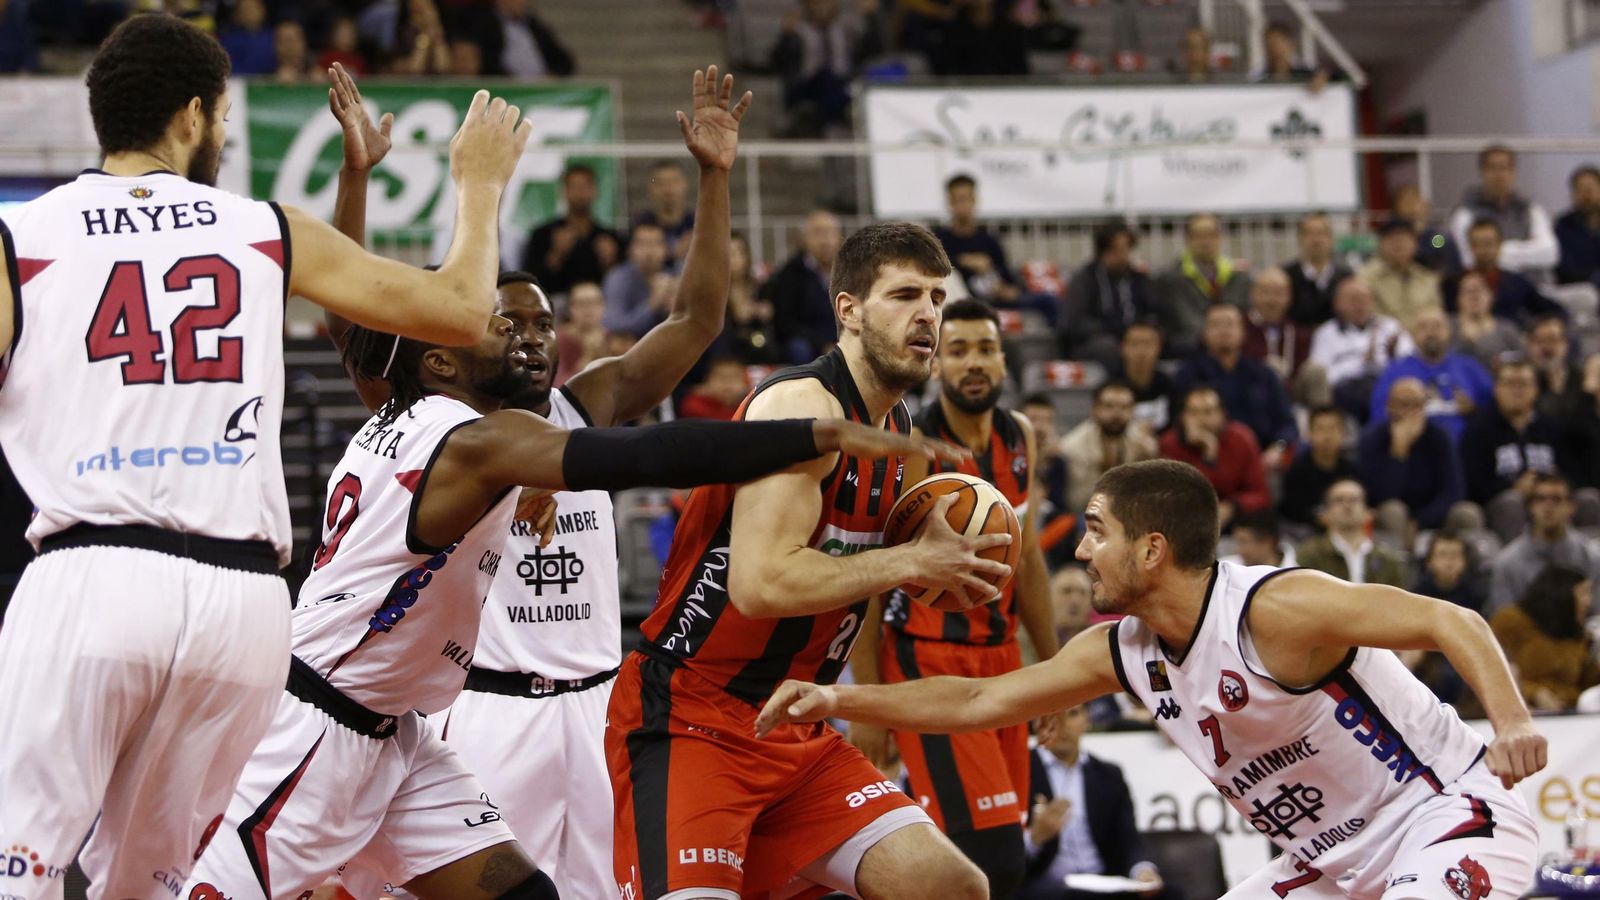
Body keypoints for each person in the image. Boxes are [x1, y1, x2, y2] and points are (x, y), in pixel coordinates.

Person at [0, 22, 531, 897]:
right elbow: (463, 313)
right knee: (151, 883)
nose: (228, 135)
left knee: (24, 862)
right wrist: (478, 184)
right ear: (193, 115)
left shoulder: (28, 236)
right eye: (225, 117)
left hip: (91, 575)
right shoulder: (264, 230)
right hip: (241, 608)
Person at [189, 311, 953, 900]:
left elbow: (372, 347)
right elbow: (630, 456)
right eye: (490, 323)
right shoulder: (469, 440)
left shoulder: (404, 418)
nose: (515, 336)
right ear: (440, 361)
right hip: (320, 727)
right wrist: (811, 432)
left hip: (401, 734)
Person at [324, 64, 754, 896]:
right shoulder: (438, 423)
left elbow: (697, 321)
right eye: (505, 321)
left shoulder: (584, 403)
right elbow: (350, 328)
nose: (530, 336)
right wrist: (356, 177)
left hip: (595, 705)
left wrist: (713, 176)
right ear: (457, 338)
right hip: (488, 710)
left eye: (543, 322)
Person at [759, 458, 1547, 900]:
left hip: (1441, 817)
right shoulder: (1124, 648)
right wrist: (837, 699)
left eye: (1095, 531)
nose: (1078, 551)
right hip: (1327, 865)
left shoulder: (1276, 609)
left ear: (1152, 551)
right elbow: (979, 698)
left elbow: (1454, 621)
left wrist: (1510, 721)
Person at [610, 223, 1010, 900]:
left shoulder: (899, 429)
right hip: (694, 718)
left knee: (953, 886)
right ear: (848, 310)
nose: (929, 316)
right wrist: (911, 563)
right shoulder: (800, 407)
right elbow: (763, 583)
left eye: (939, 299)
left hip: (799, 728)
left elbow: (860, 590)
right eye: (906, 294)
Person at [855, 298, 1061, 896]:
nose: (975, 362)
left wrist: (1050, 671)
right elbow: (872, 573)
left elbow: (1029, 559)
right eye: (960, 350)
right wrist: (868, 701)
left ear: (1003, 361)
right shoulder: (912, 445)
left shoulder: (1019, 435)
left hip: (1001, 660)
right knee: (990, 857)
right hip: (927, 660)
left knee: (1001, 853)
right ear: (937, 363)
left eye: (987, 349)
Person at [1018, 705, 1167, 900]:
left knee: (1170, 894)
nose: (1062, 725)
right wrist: (1035, 837)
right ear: (1037, 724)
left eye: (1072, 714)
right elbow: (998, 858)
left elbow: (1128, 837)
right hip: (1047, 884)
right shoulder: (1019, 772)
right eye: (1052, 716)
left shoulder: (1108, 774)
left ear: (1087, 720)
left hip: (1103, 880)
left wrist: (1141, 869)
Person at [1174, 302, 1297, 467]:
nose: (1224, 330)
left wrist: (1279, 447)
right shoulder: (1187, 375)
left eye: (1230, 324)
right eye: (1216, 325)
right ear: (1204, 333)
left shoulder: (1263, 374)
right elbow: (1177, 422)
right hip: (1201, 456)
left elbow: (1287, 424)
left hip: (1258, 460)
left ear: (1243, 331)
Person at [1459, 359, 1568, 542]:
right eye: (1510, 384)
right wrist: (1515, 488)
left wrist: (1551, 486)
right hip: (1499, 506)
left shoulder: (1551, 429)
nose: (1517, 390)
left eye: (1523, 384)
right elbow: (1473, 485)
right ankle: (1519, 566)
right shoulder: (1478, 430)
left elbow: (1572, 472)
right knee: (1512, 501)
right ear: (1496, 389)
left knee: (1585, 499)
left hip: (1549, 499)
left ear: (1536, 389)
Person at [1358, 378, 1470, 537]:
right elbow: (1380, 496)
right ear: (1389, 407)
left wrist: (1419, 522)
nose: (1410, 412)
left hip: (1431, 517)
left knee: (1466, 513)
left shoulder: (1439, 437)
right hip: (1389, 518)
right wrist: (1399, 452)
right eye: (1403, 405)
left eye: (1416, 405)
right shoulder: (1373, 439)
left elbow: (1453, 491)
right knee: (1393, 510)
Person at [1367, 307, 1493, 442]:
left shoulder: (1469, 367)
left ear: (1449, 332)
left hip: (1467, 449)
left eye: (1437, 326)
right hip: (1416, 452)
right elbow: (1379, 418)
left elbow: (1494, 410)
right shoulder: (1395, 372)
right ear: (1413, 335)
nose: (1431, 332)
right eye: (1423, 327)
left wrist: (1473, 411)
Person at [1490, 563, 1600, 712]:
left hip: (1569, 716)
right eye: (1583, 593)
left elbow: (1588, 688)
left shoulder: (1580, 634)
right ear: (1562, 594)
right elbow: (1489, 672)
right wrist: (1533, 693)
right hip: (1516, 712)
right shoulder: (1511, 621)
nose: (1589, 601)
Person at [1157, 385, 1269, 530]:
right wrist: (1208, 457)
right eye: (1194, 413)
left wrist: (1232, 506)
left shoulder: (1242, 438)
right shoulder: (1169, 444)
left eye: (1208, 412)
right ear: (1183, 416)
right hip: (1186, 525)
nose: (1201, 420)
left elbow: (1261, 494)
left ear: (1222, 414)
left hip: (1236, 522)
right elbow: (1180, 501)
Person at [1487, 473, 1600, 616]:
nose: (1548, 506)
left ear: (1571, 507)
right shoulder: (1507, 563)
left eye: (1556, 499)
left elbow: (1598, 618)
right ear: (1530, 507)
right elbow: (1503, 624)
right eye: (1540, 499)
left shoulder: (1591, 556)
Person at [935, 175, 1046, 319]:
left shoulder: (989, 240)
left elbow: (1007, 277)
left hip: (994, 299)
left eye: (965, 199)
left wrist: (1005, 288)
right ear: (949, 202)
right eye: (957, 200)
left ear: (974, 200)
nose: (961, 205)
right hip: (959, 302)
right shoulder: (939, 241)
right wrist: (962, 261)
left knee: (1047, 300)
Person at [1308, 278, 1413, 423]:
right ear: (1337, 303)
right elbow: (1322, 375)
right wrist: (1361, 364)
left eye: (1364, 299)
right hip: (1346, 390)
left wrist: (1391, 356)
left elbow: (1410, 363)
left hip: (1385, 384)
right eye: (1353, 300)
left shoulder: (1391, 327)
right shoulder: (1326, 333)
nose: (1360, 305)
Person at [1449, 146, 1559, 277]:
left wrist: (1498, 252)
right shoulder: (1465, 214)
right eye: (1493, 168)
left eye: (1504, 168)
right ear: (1482, 172)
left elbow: (1550, 253)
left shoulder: (1531, 209)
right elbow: (1467, 259)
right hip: (1488, 288)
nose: (1499, 175)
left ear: (1513, 172)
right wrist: (1528, 251)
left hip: (1533, 288)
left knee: (1583, 295)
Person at [1154, 213, 1251, 358]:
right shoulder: (1170, 278)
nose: (1206, 242)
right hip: (1190, 350)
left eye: (1211, 235)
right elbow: (1179, 319)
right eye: (1198, 236)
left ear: (1220, 238)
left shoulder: (1238, 276)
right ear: (1188, 240)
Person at [1060, 220, 1153, 366]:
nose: (1122, 255)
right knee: (1108, 347)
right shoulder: (1085, 280)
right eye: (1116, 250)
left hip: (1135, 336)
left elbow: (1154, 310)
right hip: (1099, 341)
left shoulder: (1139, 279)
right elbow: (1073, 324)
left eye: (1126, 249)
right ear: (1103, 250)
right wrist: (1113, 328)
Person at [519, 163, 622, 296]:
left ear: (595, 191)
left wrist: (609, 261)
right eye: (574, 187)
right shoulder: (543, 234)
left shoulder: (608, 237)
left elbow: (621, 284)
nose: (580, 193)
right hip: (555, 304)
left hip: (599, 304)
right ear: (564, 191)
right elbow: (530, 283)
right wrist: (556, 254)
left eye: (585, 186)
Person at [1443, 219, 1566, 326]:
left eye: (1489, 243)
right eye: (1477, 244)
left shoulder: (1516, 283)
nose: (1484, 250)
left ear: (1500, 244)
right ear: (1470, 247)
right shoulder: (1453, 284)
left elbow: (1552, 310)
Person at [1061, 380, 1157, 513]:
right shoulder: (1073, 447)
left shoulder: (1143, 445)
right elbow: (1076, 503)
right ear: (1095, 409)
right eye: (1109, 406)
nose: (1116, 414)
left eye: (1124, 407)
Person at [764, 208, 845, 363]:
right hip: (809, 342)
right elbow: (786, 322)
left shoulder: (851, 270)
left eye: (829, 233)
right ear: (804, 239)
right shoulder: (789, 274)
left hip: (844, 336)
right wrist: (822, 344)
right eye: (817, 233)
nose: (824, 241)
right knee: (798, 348)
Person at [1296, 479, 1410, 586]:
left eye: (1354, 500)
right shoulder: (1309, 554)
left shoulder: (1387, 559)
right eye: (1339, 500)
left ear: (1369, 513)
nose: (1347, 505)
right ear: (1324, 515)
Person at [1241, 266, 1323, 405]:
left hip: (1290, 394)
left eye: (1279, 293)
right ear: (1252, 294)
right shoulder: (1240, 328)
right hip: (1250, 394)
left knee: (1316, 371)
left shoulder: (1297, 332)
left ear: (1289, 297)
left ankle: (1321, 423)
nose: (1272, 300)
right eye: (1265, 292)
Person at [1279, 405, 1357, 532]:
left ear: (1343, 433)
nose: (1327, 436)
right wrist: (1318, 517)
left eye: (1333, 429)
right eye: (1320, 429)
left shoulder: (1351, 470)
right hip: (1308, 531)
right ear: (1309, 434)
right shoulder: (1297, 471)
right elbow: (1292, 510)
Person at [1358, 218, 1442, 328]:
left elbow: (1436, 315)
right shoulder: (1366, 277)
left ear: (1415, 244)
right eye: (1391, 237)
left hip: (1421, 341)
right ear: (1380, 243)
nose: (1398, 243)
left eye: (1404, 238)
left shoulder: (1427, 278)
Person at [602, 221, 677, 339]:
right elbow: (614, 325)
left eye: (656, 243)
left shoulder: (676, 277)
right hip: (629, 349)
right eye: (642, 244)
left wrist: (674, 311)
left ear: (666, 250)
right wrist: (652, 303)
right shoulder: (618, 278)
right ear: (630, 250)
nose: (649, 251)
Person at [1283, 211, 1352, 325]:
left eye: (1321, 233)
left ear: (1331, 239)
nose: (1316, 239)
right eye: (1309, 234)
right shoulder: (1286, 275)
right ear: (1299, 239)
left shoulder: (1346, 277)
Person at [1452, 270, 1524, 370]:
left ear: (1491, 296)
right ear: (1458, 299)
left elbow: (1523, 357)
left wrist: (1504, 360)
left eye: (1479, 290)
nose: (1474, 296)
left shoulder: (1507, 328)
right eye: (1468, 291)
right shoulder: (1448, 327)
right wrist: (1467, 342)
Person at [1115, 320, 1175, 433]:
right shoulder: (1112, 387)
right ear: (1122, 348)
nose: (1141, 351)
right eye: (1135, 344)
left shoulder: (1168, 385)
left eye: (1148, 344)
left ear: (1159, 347)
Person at [1526, 315, 1586, 421]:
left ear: (1565, 344)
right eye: (1540, 341)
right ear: (1530, 345)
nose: (1546, 347)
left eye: (1553, 340)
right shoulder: (1523, 380)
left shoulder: (1581, 378)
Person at [632, 159, 695, 255]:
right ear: (650, 188)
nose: (668, 189)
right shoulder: (640, 225)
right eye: (660, 183)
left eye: (674, 182)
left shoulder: (697, 225)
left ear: (685, 184)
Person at [1393, 185, 1459, 275]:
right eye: (1407, 203)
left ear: (1426, 206)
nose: (1412, 208)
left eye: (1415, 201)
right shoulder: (1394, 239)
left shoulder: (1438, 236)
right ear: (1398, 209)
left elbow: (1449, 264)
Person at [553, 281, 606, 385]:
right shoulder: (558, 341)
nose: (588, 310)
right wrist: (588, 356)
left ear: (603, 306)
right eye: (582, 304)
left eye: (593, 302)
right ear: (570, 308)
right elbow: (560, 386)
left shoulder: (613, 338)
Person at [1555, 164, 1600, 287]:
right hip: (1578, 289)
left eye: (1590, 189)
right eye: (1580, 190)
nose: (1586, 196)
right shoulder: (1563, 226)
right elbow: (1565, 268)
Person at [1221, 508, 1297, 568]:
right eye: (1237, 542)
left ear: (1267, 543)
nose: (1239, 550)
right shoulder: (1224, 568)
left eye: (1244, 541)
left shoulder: (1299, 577)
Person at [680, 357, 750, 420]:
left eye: (734, 377)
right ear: (707, 381)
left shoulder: (751, 405)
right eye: (721, 377)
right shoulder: (695, 405)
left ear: (746, 381)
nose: (728, 383)